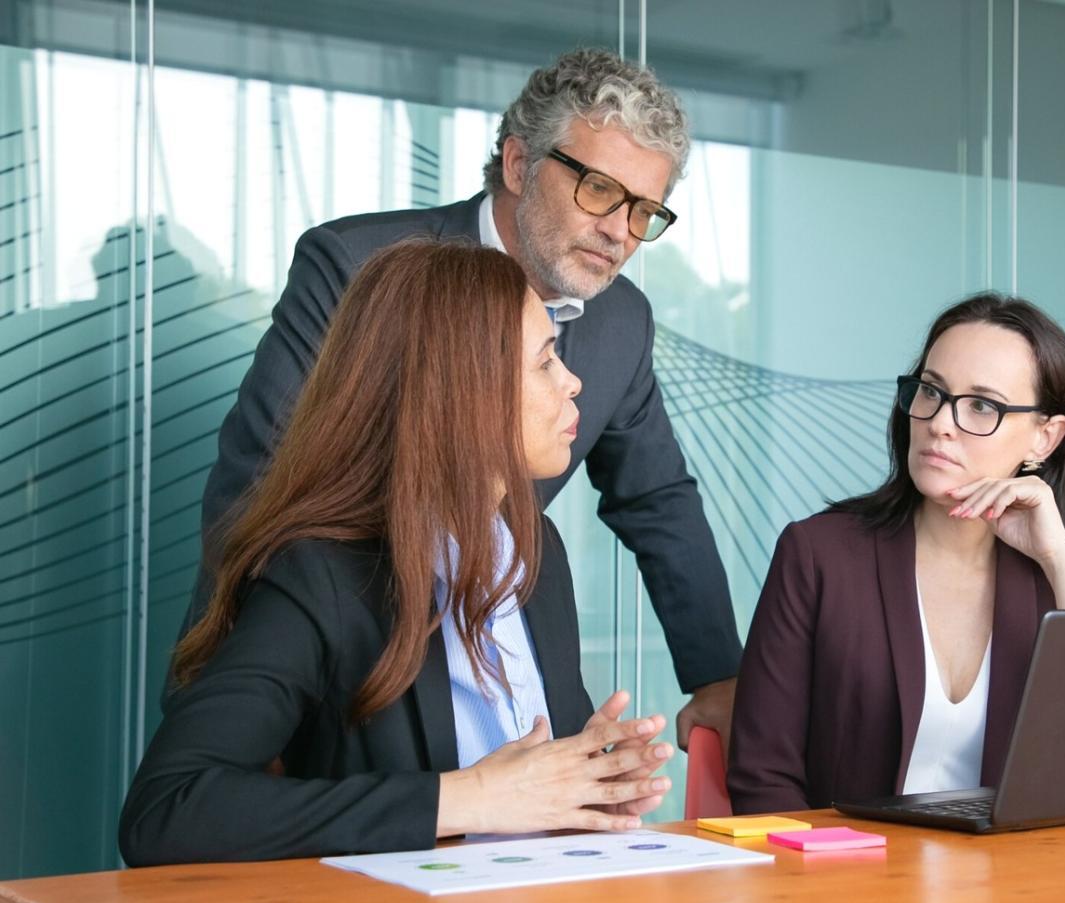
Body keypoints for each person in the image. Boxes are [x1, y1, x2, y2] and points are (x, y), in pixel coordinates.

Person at [182, 47, 739, 750]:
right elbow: (258, 483)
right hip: (331, 675)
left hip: (497, 666)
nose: (619, 232)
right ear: (517, 165)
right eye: (599, 190)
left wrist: (715, 674)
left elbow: (657, 499)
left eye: (643, 211)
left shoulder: (620, 320)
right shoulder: (358, 268)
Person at [120, 240, 675, 865]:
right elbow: (167, 810)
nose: (574, 382)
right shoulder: (320, 574)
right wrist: (471, 798)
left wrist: (585, 789)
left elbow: (527, 803)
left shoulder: (536, 550)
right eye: (546, 360)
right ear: (463, 391)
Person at [726, 294, 1065, 813]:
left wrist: (1061, 559)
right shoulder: (820, 555)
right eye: (931, 392)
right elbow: (763, 777)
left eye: (982, 405)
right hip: (847, 881)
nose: (940, 423)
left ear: (1044, 439)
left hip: (1020, 884)